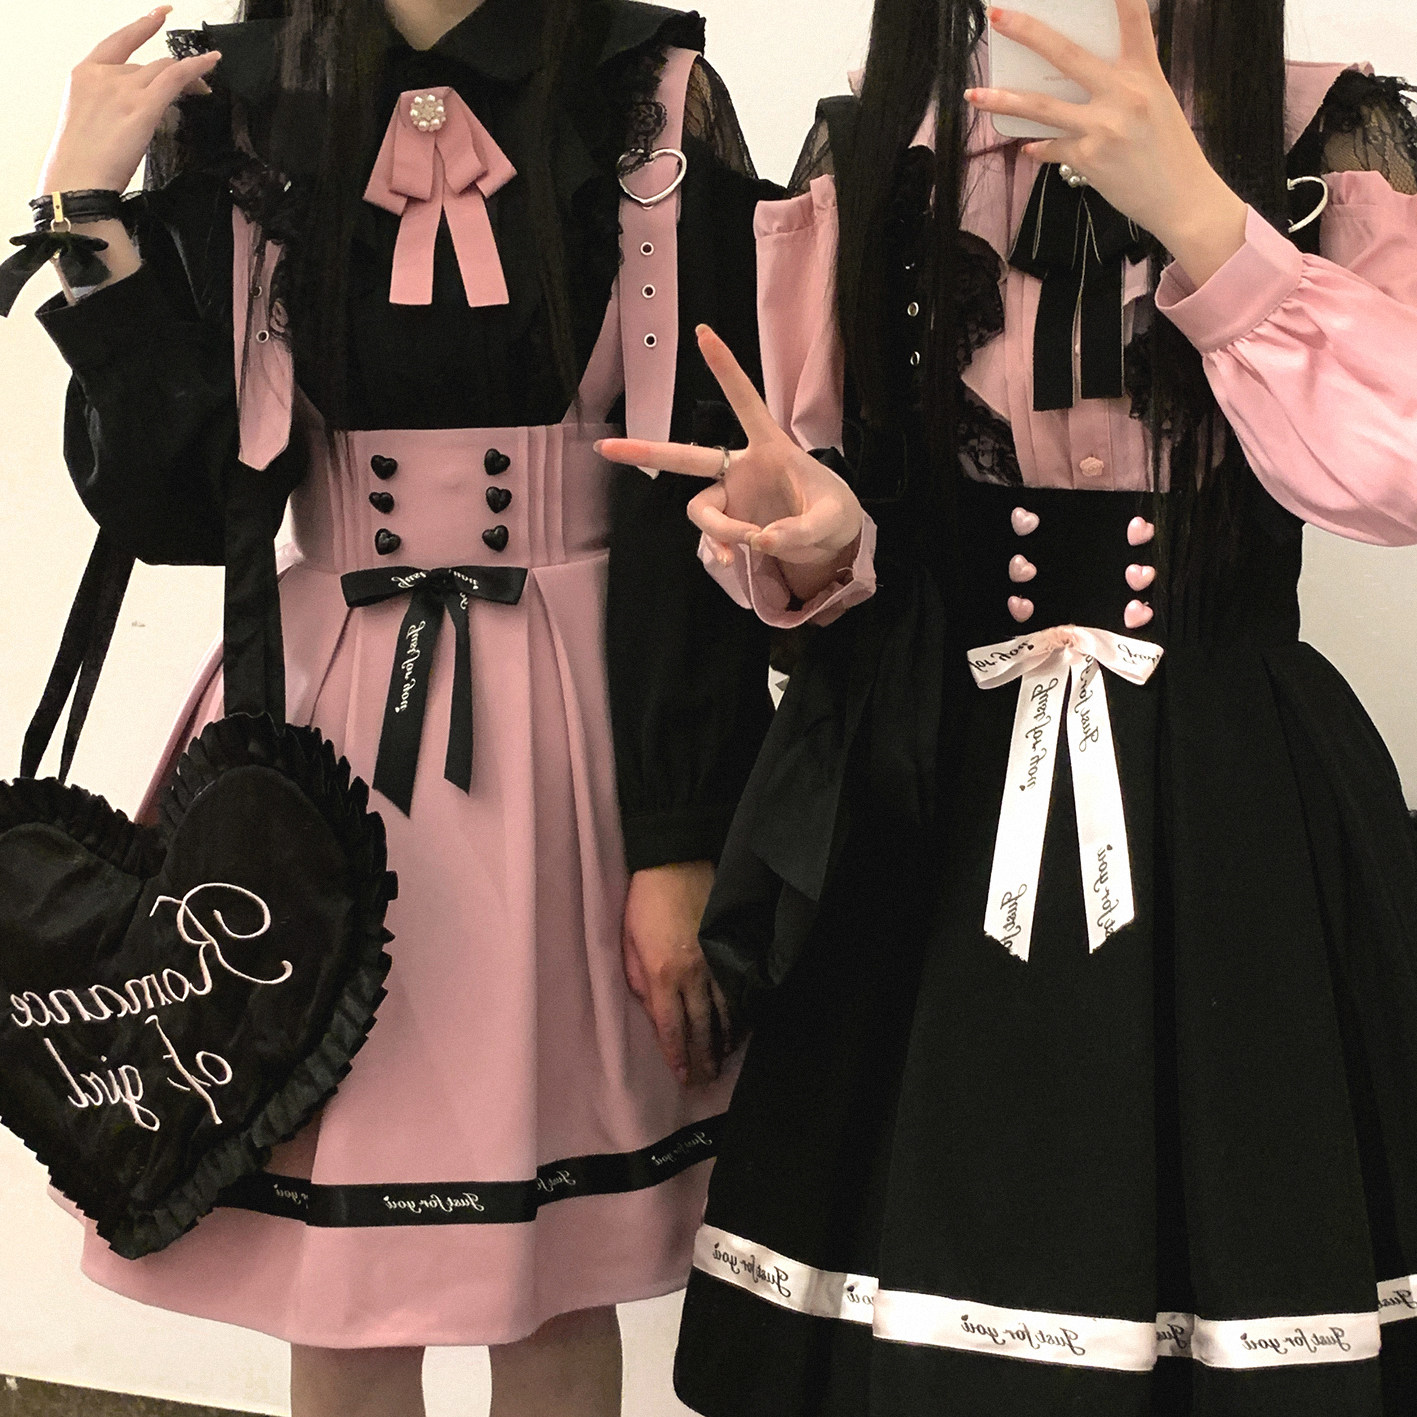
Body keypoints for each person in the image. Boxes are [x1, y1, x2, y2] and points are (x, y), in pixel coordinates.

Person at [599, 0, 1417, 1411]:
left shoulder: (1322, 136)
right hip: (935, 797)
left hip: (1227, 817)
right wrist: (817, 542)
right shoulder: (879, 145)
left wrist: (1202, 219)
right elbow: (840, 504)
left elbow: (1394, 471)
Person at [23, 0, 775, 1412]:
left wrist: (679, 837)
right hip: (325, 738)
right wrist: (88, 220)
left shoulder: (649, 92)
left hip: (581, 733)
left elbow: (705, 493)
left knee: (547, 1276)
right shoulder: (237, 107)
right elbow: (184, 510)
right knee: (346, 1272)